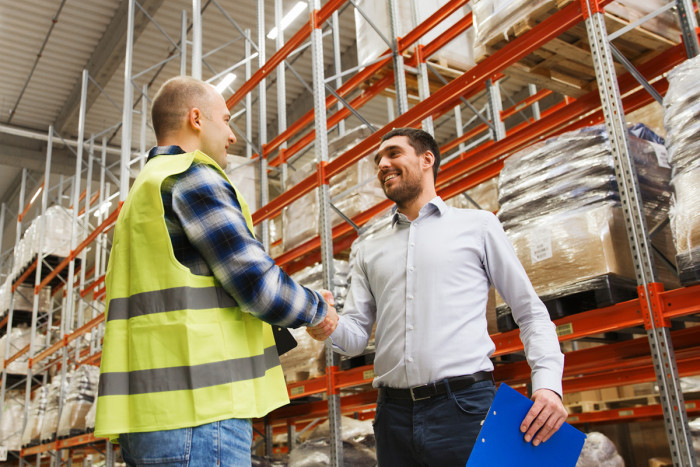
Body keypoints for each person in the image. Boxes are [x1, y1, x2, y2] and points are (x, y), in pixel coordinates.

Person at [95, 76, 337, 466]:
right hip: (200, 415)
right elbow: (255, 283)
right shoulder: (191, 175)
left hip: (148, 420)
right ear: (196, 118)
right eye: (225, 120)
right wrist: (317, 311)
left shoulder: (142, 194)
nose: (232, 135)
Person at [308, 128, 567, 466]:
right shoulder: (368, 248)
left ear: (427, 159)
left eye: (393, 154)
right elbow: (356, 337)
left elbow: (530, 313)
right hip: (392, 415)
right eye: (378, 161)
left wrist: (547, 384)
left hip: (463, 407)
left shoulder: (478, 226)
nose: (382, 165)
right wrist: (324, 323)